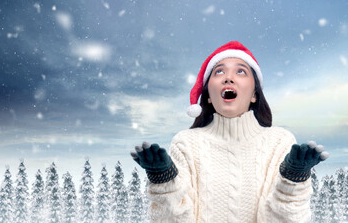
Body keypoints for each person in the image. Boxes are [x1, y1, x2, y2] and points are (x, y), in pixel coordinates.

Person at [130, 41, 329, 222]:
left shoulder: (279, 142)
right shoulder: (186, 143)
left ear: (254, 95)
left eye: (241, 71)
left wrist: (293, 181)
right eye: (219, 72)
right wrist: (164, 183)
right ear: (207, 96)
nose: (228, 78)